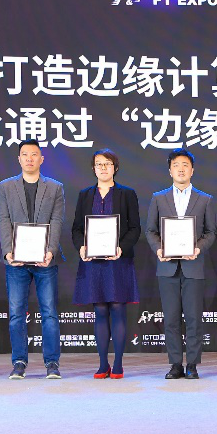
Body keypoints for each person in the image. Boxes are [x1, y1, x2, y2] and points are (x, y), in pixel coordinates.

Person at [145, 148, 217, 380]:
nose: (181, 169)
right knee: (171, 318)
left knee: (194, 318)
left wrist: (198, 248)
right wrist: (159, 249)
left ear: (192, 170)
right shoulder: (159, 198)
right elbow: (151, 231)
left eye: (185, 165)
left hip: (193, 266)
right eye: (176, 165)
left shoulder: (204, 199)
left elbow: (211, 232)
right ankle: (175, 364)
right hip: (167, 267)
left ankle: (192, 364)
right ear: (170, 170)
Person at [0, 139, 65, 380]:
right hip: (16, 262)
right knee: (16, 312)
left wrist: (51, 251)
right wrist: (8, 251)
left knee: (49, 312)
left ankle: (52, 362)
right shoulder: (6, 187)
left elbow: (57, 220)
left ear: (41, 159)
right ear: (19, 159)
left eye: (34, 154)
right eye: (25, 154)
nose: (29, 158)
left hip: (45, 261)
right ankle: (19, 361)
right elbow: (3, 219)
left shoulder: (55, 187)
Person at [71, 149, 141, 379]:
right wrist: (81, 247)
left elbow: (135, 228)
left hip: (118, 260)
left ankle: (118, 364)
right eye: (99, 164)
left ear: (115, 168)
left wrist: (121, 248)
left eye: (107, 164)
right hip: (93, 262)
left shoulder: (127, 194)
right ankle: (103, 364)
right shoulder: (85, 195)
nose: (103, 168)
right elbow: (77, 228)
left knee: (118, 308)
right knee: (100, 310)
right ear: (93, 169)